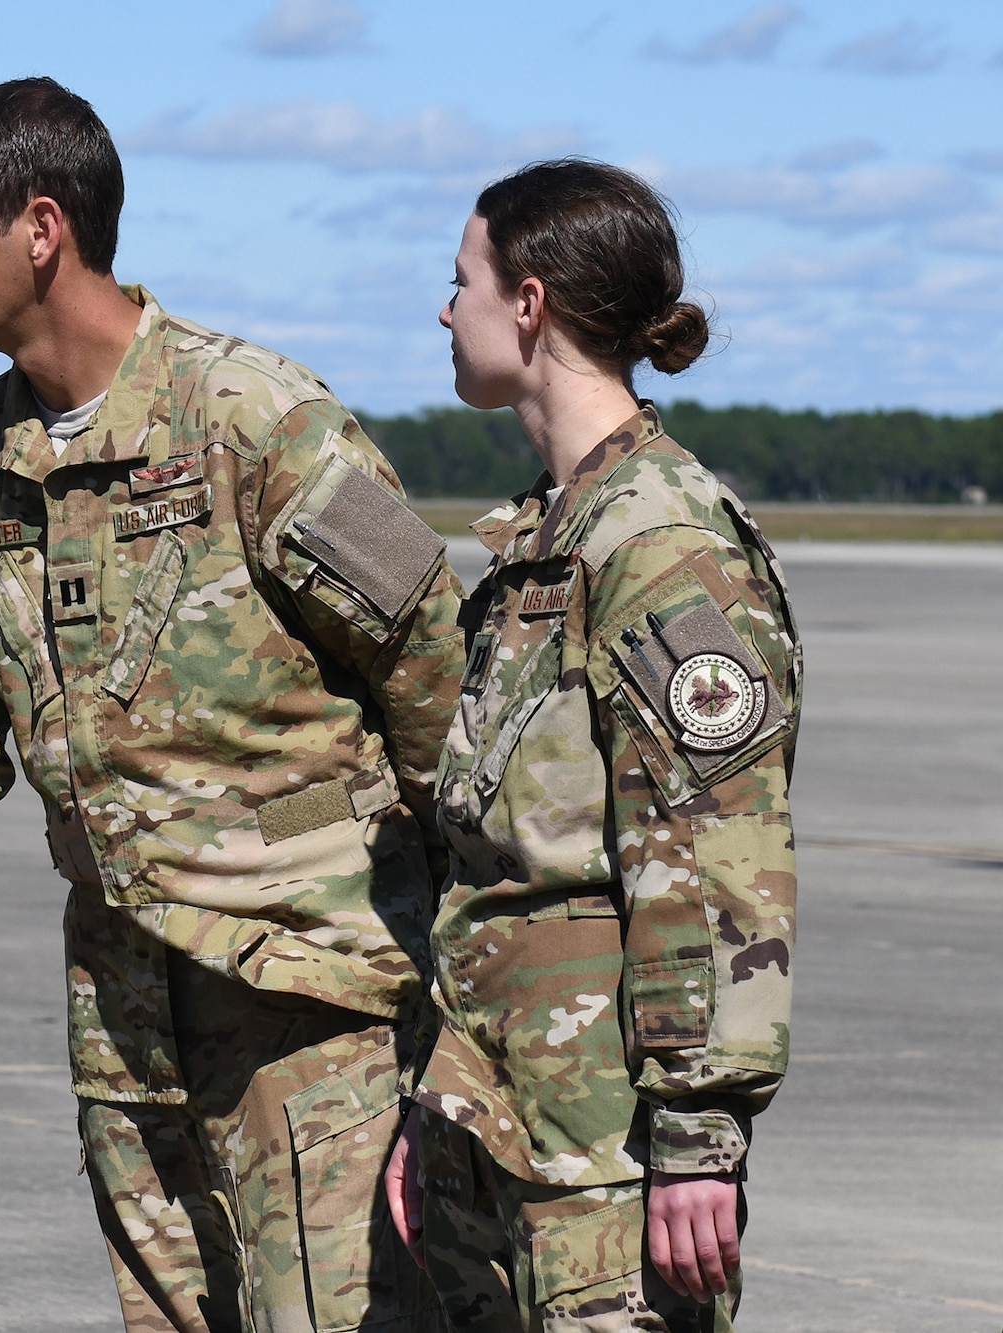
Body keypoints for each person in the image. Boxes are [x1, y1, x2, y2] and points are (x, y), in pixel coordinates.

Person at [0, 78, 464, 1333]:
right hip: (128, 1026)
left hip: (316, 1012)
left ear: (39, 227)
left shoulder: (252, 424)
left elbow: (437, 691)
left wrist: (472, 997)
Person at [382, 159, 802, 1332]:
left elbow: (713, 855)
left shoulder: (660, 541)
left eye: (457, 277)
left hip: (605, 1161)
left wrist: (696, 1133)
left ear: (526, 305)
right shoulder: (548, 539)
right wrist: (442, 1107)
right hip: (503, 1123)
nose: (440, 307)